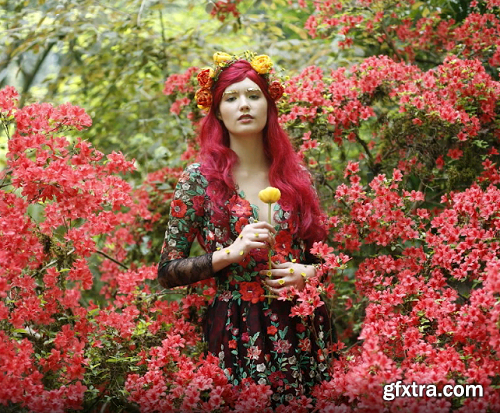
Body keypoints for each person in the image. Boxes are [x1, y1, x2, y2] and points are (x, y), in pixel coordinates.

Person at [158, 52, 335, 406]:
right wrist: (230, 254)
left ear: (268, 106)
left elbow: (329, 263)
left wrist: (309, 272)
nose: (244, 105)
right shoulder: (199, 180)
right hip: (236, 329)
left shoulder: (298, 179)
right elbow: (167, 272)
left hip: (302, 327)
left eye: (254, 96)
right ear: (217, 111)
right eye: (231, 97)